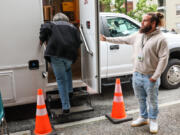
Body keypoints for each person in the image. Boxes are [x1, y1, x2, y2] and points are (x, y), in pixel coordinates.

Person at [100, 12, 169, 134]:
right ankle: (143, 117)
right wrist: (107, 39)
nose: (141, 23)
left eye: (145, 21)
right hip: (137, 74)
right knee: (140, 99)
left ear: (153, 23)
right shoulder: (139, 35)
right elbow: (124, 39)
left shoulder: (161, 39)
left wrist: (155, 76)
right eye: (142, 20)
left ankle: (153, 120)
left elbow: (164, 59)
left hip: (150, 76)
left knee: (152, 101)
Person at [39, 13, 82, 114]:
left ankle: (66, 106)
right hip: (70, 56)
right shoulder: (72, 27)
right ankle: (70, 91)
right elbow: (79, 42)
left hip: (56, 55)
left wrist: (41, 40)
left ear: (55, 19)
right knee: (67, 70)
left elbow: (43, 29)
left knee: (61, 80)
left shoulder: (51, 24)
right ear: (66, 19)